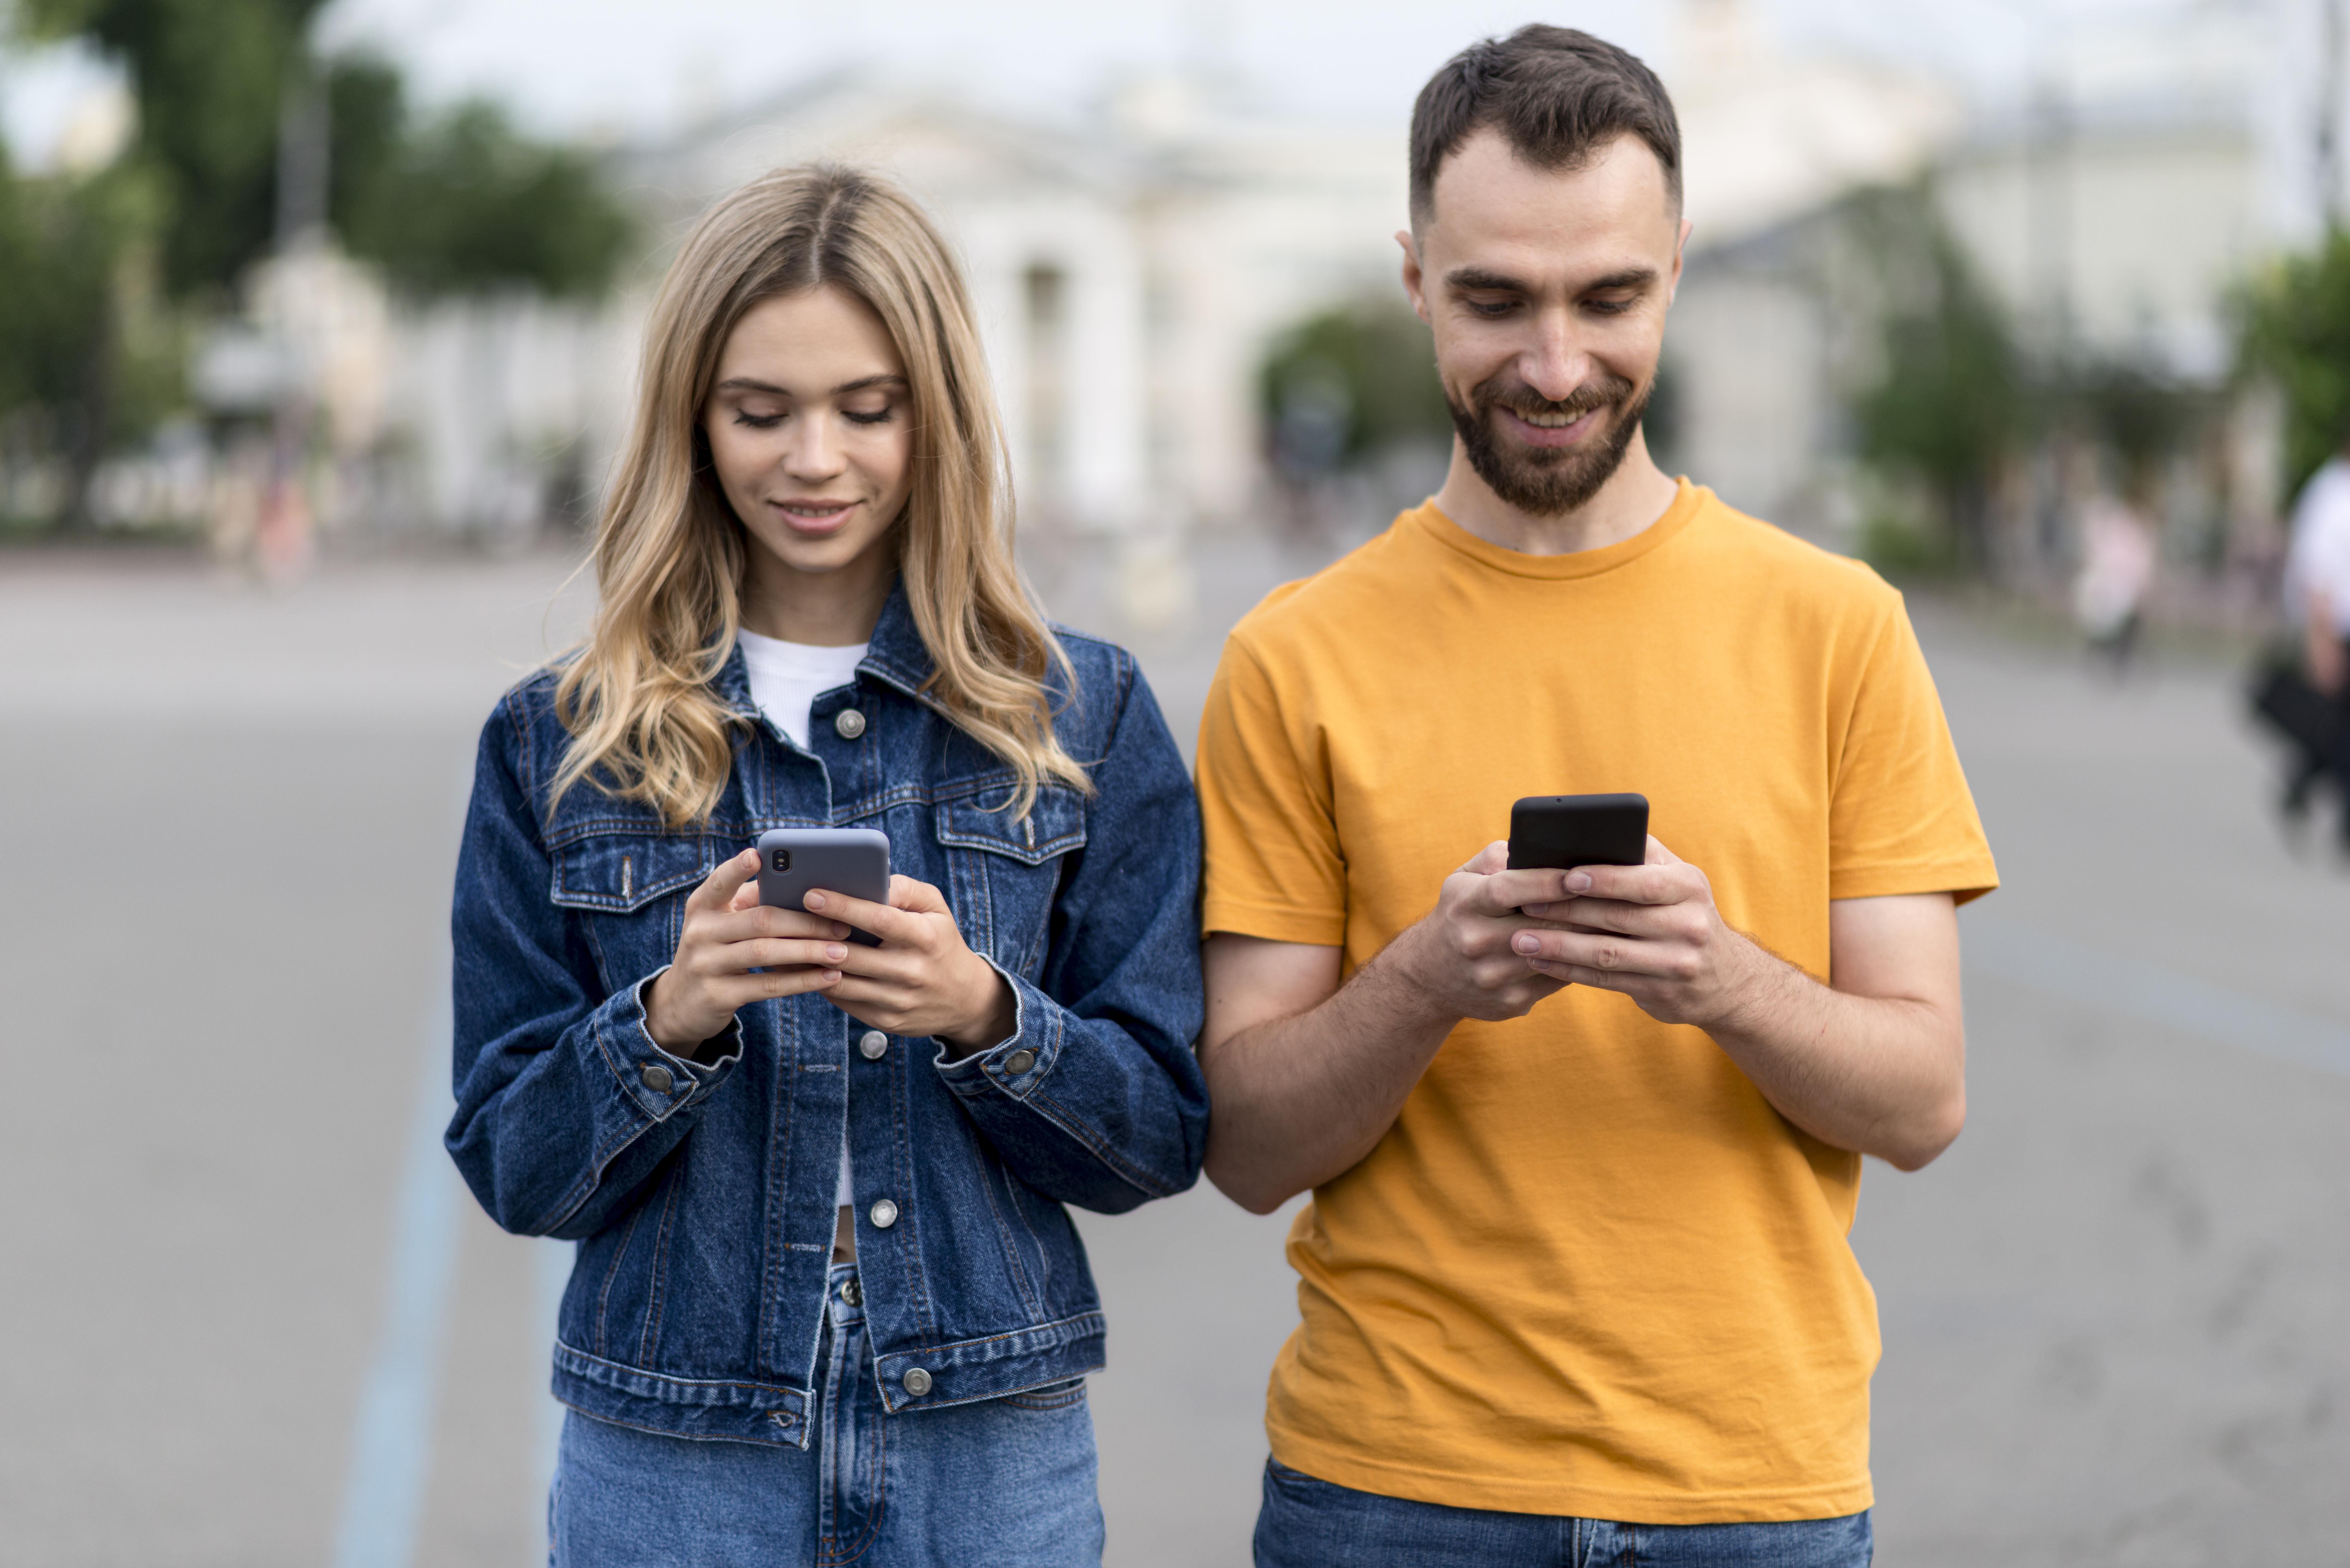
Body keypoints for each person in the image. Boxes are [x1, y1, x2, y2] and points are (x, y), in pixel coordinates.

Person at [1193, 27, 1999, 1567]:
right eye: (1496, 300)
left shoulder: (1837, 627)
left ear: (1675, 269)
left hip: (1750, 1490)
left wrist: (1718, 976)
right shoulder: (1294, 656)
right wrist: (1425, 980)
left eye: (1608, 298)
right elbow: (1244, 1144)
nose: (1556, 367)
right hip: (1391, 1488)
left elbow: (1921, 1100)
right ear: (1415, 277)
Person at [446, 164, 1207, 1566]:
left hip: (988, 1439)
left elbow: (1157, 1134)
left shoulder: (1081, 714)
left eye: (867, 408)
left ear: (939, 413)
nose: (813, 458)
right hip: (676, 1445)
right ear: (692, 417)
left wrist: (986, 1014)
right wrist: (665, 1019)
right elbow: (513, 1165)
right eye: (761, 410)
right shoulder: (558, 739)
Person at [2280, 438, 2350, 843]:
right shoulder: (2332, 494)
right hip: (2337, 629)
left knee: (2338, 726)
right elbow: (2316, 569)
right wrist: (2320, 638)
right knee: (2339, 726)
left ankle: (2302, 782)